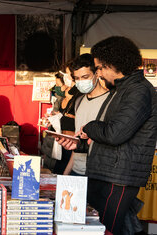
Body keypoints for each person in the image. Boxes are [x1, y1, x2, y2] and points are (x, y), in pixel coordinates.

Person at [58, 36, 157, 235]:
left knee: (106, 229)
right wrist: (79, 144)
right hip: (107, 172)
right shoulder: (122, 89)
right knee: (96, 227)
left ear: (113, 64)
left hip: (119, 176)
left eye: (100, 68)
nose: (100, 74)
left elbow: (114, 134)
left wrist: (90, 126)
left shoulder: (139, 91)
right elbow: (109, 140)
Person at [63, 53, 109, 176]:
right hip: (76, 171)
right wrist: (66, 174)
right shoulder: (78, 101)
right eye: (77, 78)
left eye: (85, 77)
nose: (81, 82)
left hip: (98, 174)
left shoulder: (110, 101)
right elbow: (76, 146)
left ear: (97, 74)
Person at [52, 62, 82, 174]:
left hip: (73, 145)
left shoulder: (79, 95)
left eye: (69, 74)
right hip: (63, 144)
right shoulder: (69, 96)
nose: (67, 77)